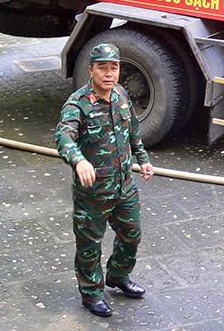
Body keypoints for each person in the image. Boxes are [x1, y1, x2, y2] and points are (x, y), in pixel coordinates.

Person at [55, 42, 156, 317]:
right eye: (102, 68)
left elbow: (133, 131)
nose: (109, 74)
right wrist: (79, 160)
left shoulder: (121, 95)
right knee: (89, 245)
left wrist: (143, 160)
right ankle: (91, 293)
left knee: (131, 235)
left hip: (124, 185)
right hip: (94, 192)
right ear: (91, 70)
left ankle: (118, 276)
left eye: (114, 68)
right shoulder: (77, 104)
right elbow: (64, 136)